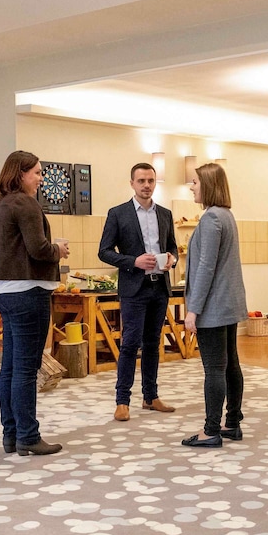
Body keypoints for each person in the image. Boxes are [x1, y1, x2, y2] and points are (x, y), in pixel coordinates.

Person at [0, 150, 68, 457]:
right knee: (25, 368)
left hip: (5, 290)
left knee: (9, 367)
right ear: (20, 174)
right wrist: (58, 249)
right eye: (36, 172)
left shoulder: (1, 203)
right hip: (28, 291)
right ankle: (28, 436)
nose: (40, 178)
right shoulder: (25, 203)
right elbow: (38, 249)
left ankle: (11, 434)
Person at [98, 162, 179, 422]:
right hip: (134, 288)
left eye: (150, 181)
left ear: (155, 183)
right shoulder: (118, 213)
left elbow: (173, 248)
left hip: (159, 286)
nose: (146, 185)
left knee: (153, 343)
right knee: (130, 343)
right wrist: (133, 261)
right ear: (132, 183)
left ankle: (150, 397)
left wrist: (172, 259)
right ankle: (122, 401)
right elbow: (104, 251)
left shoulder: (165, 214)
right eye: (141, 181)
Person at [181, 163, 248, 448]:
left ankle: (211, 430)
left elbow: (206, 267)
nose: (191, 187)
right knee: (230, 364)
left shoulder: (211, 218)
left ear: (208, 184)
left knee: (215, 368)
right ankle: (231, 423)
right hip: (228, 304)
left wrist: (193, 310)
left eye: (195, 182)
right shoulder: (226, 215)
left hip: (213, 307)